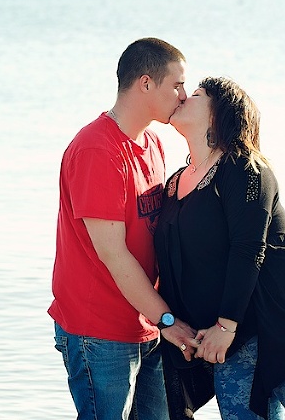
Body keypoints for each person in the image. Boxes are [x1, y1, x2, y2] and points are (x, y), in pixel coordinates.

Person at [154, 76, 285, 420]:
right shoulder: (173, 184)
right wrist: (170, 323)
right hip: (228, 341)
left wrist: (225, 326)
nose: (182, 96)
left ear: (218, 114)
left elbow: (247, 248)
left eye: (195, 93)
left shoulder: (245, 168)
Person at [48, 37, 201, 420]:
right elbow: (114, 255)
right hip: (98, 332)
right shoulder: (97, 150)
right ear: (146, 84)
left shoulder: (151, 143)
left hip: (146, 323)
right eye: (177, 85)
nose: (184, 96)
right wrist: (166, 320)